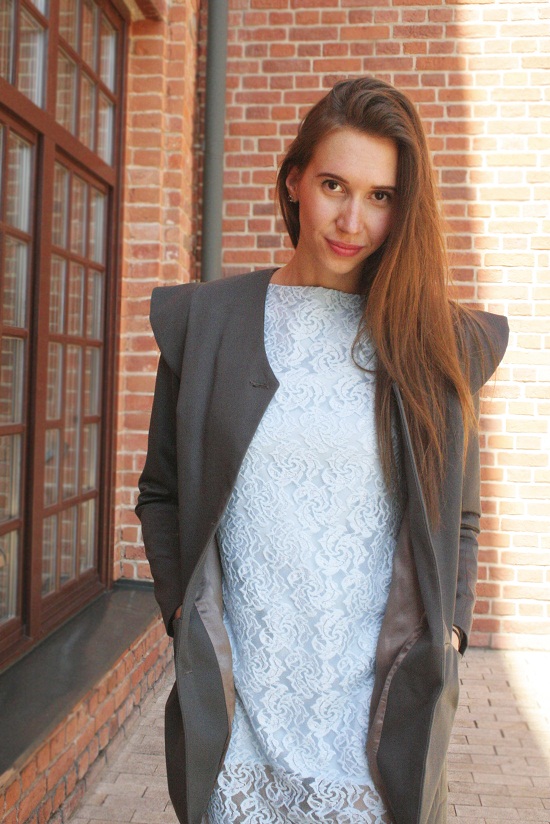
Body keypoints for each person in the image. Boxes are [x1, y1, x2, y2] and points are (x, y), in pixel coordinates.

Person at [135, 76, 509, 824]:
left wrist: (451, 632)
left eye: (381, 196)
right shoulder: (207, 324)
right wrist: (182, 615)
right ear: (294, 181)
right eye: (334, 185)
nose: (352, 220)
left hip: (374, 732)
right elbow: (162, 492)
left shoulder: (432, 344)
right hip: (244, 725)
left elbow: (459, 520)